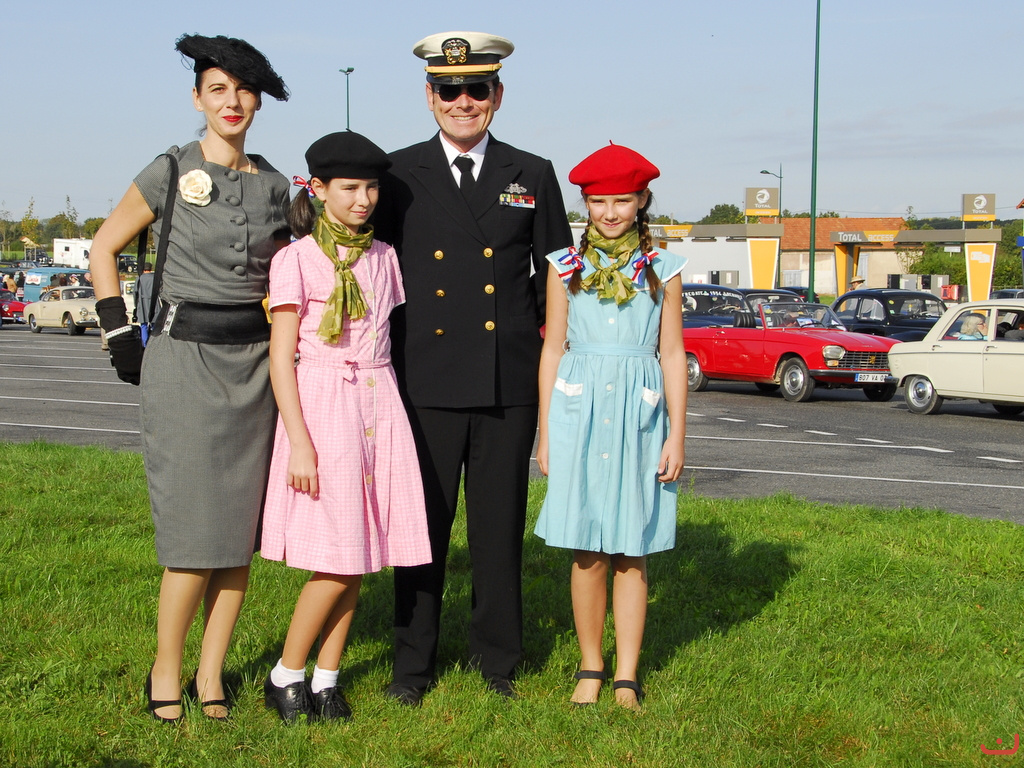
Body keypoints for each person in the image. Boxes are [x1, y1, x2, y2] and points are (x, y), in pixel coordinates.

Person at [88, 33, 291, 723]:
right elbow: (103, 247)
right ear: (197, 97)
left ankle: (211, 674)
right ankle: (166, 669)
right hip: (184, 364)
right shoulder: (170, 169)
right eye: (217, 90)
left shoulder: (278, 185)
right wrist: (118, 332)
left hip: (256, 369)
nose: (231, 102)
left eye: (243, 90)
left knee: (236, 539)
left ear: (257, 101)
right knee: (191, 538)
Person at [375, 31, 573, 705]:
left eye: (477, 89)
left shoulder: (531, 173)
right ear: (429, 96)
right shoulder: (396, 175)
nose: (464, 101)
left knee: (497, 531)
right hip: (425, 377)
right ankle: (412, 667)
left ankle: (497, 662)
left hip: (504, 381)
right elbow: (374, 269)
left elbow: (558, 273)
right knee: (421, 530)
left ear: (498, 95)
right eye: (450, 90)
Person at [260, 132, 431, 723]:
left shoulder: (384, 257)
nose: (364, 200)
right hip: (324, 406)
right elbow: (281, 357)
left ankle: (326, 678)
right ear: (319, 189)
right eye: (350, 188)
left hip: (379, 405)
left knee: (361, 552)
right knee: (336, 559)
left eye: (372, 188)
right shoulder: (295, 259)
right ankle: (286, 673)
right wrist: (299, 443)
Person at [534, 143, 687, 710]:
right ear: (586, 205)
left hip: (639, 416)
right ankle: (591, 664)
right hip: (579, 414)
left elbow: (673, 354)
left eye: (623, 200)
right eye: (599, 202)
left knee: (631, 547)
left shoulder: (663, 270)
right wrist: (546, 430)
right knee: (585, 548)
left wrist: (676, 434)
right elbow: (553, 348)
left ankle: (627, 673)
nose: (611, 212)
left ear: (642, 200)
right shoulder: (564, 267)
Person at [134, 262, 155, 345]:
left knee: (143, 325)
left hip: (142, 303)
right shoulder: (155, 278)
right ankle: (154, 343)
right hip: (154, 303)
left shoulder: (139, 278)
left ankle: (144, 344)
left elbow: (135, 293)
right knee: (154, 324)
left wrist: (136, 305)